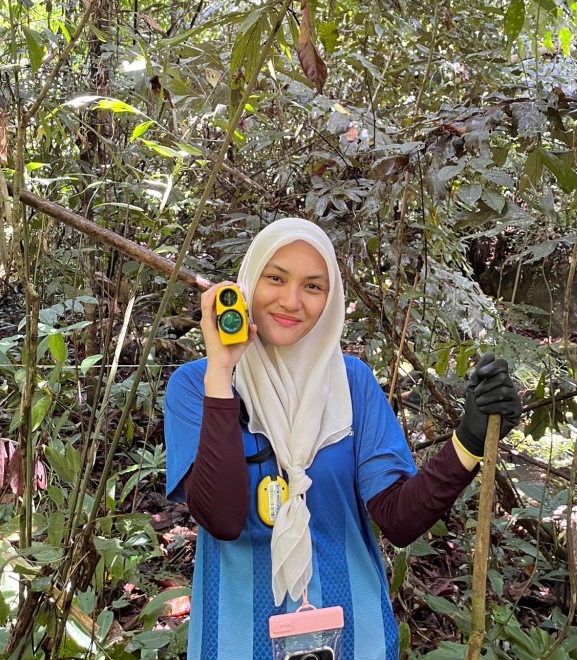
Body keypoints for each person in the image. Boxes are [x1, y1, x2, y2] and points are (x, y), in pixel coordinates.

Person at [164, 218, 521, 660]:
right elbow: (222, 519)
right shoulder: (195, 386)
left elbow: (398, 519)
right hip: (236, 639)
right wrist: (221, 373)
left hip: (354, 634)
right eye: (275, 278)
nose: (291, 301)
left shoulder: (352, 383)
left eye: (313, 287)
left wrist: (469, 438)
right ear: (248, 283)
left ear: (330, 300)